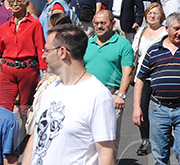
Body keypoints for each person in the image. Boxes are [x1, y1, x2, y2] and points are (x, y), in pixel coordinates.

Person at [22, 24, 116, 165]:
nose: (43, 55)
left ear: (62, 52)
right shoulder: (50, 89)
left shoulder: (97, 95)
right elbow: (35, 138)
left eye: (47, 50)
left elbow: (106, 154)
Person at [132, 13, 180, 164]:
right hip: (158, 109)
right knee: (160, 155)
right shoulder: (153, 50)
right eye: (176, 29)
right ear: (166, 28)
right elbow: (140, 79)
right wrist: (136, 107)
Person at [83, 10, 134, 152]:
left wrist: (121, 95)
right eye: (96, 23)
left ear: (112, 24)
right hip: (88, 97)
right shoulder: (88, 43)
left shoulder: (123, 44)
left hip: (111, 97)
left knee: (108, 139)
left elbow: (127, 72)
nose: (99, 26)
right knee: (87, 137)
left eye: (103, 23)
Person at [0, 0, 47, 116]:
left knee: (25, 108)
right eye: (12, 2)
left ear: (26, 4)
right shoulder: (4, 28)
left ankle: (25, 135)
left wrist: (45, 72)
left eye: (19, 2)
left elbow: (40, 49)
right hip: (7, 70)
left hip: (27, 71)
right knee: (4, 107)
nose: (15, 5)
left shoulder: (35, 24)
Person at [131, 3, 167, 156]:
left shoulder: (165, 32)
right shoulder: (141, 32)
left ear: (161, 17)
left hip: (161, 76)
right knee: (142, 108)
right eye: (150, 13)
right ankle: (145, 140)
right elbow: (134, 51)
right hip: (143, 76)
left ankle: (164, 136)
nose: (152, 16)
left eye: (156, 13)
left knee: (162, 108)